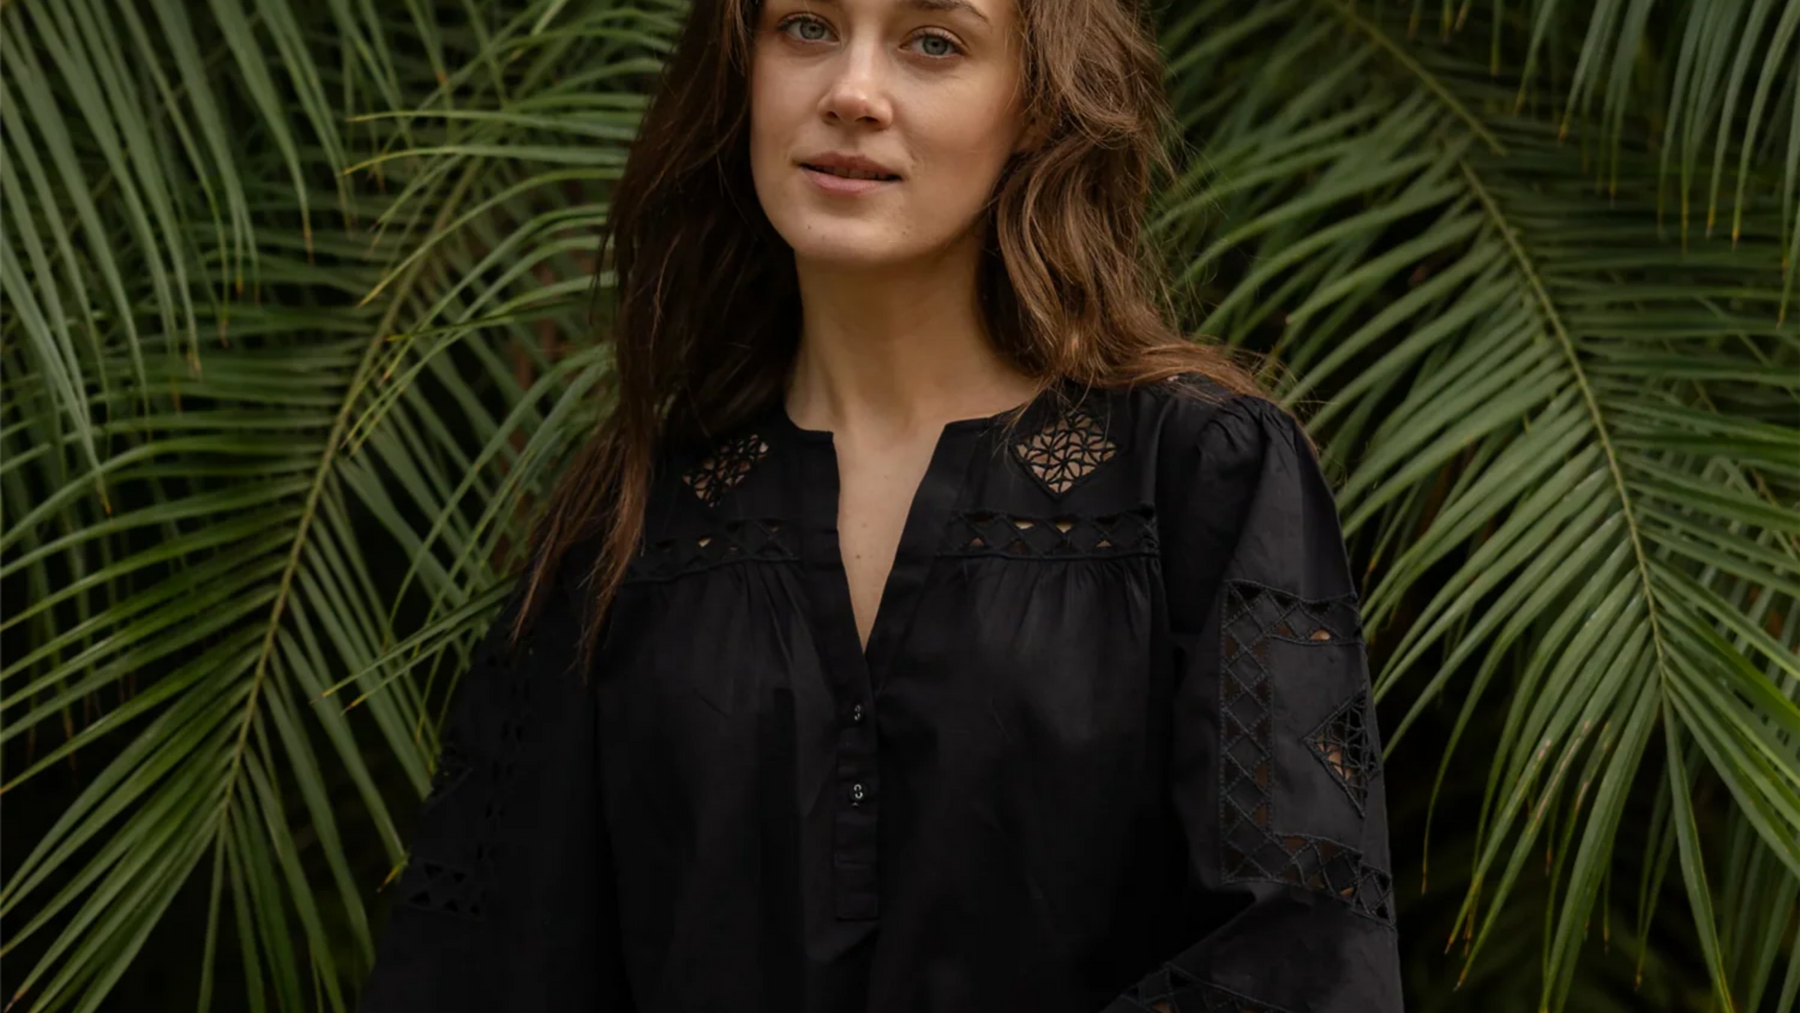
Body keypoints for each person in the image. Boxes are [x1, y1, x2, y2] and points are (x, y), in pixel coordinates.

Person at [357, 0, 1404, 1008]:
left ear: (1038, 104)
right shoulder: (631, 520)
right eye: (806, 28)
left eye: (934, 42)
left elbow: (1299, 957)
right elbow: (481, 962)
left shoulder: (1197, 477)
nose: (852, 92)